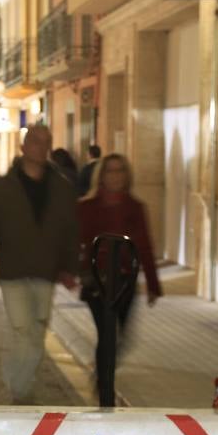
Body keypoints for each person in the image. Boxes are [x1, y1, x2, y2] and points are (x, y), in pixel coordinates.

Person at [0, 125, 79, 404]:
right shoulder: (1, 188)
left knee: (38, 331)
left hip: (46, 271)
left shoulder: (61, 188)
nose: (40, 147)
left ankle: (19, 381)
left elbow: (70, 230)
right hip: (13, 272)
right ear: (23, 147)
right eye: (34, 141)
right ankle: (20, 392)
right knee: (21, 330)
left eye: (46, 142)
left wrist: (70, 267)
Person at [77, 153, 161, 382]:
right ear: (101, 176)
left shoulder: (135, 208)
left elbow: (144, 246)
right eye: (110, 171)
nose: (115, 176)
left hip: (124, 281)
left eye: (119, 170)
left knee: (122, 336)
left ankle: (103, 374)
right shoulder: (87, 207)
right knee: (107, 334)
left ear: (127, 176)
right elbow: (75, 241)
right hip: (96, 280)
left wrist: (153, 285)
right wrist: (72, 270)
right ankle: (105, 388)